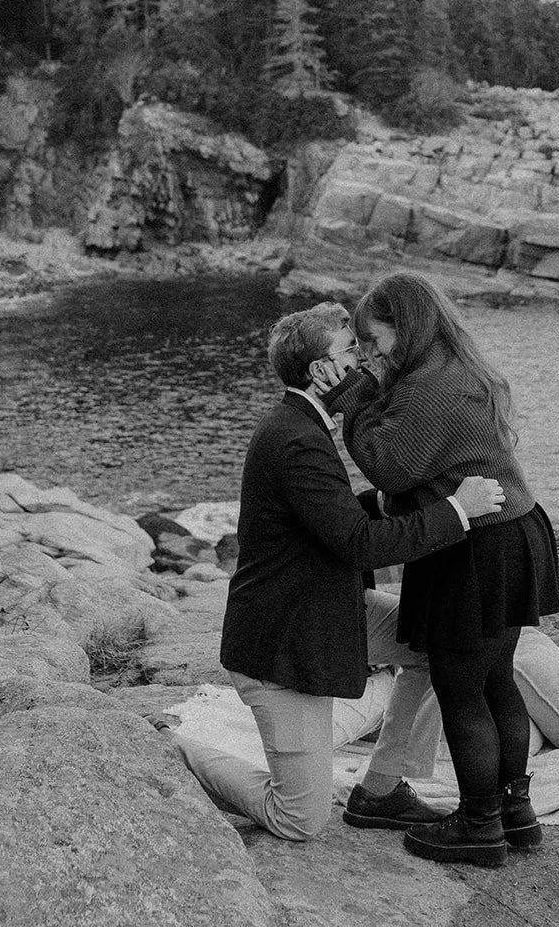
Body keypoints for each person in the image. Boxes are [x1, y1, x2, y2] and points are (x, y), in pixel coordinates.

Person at [169, 301, 506, 842]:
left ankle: (381, 789)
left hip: (326, 609)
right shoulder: (297, 439)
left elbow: (332, 515)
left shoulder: (302, 424)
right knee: (299, 819)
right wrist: (456, 510)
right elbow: (358, 545)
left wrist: (388, 499)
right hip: (284, 641)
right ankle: (175, 749)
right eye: (350, 350)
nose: (364, 360)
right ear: (320, 371)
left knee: (440, 645)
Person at [318, 271, 559, 868]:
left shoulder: (432, 384)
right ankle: (513, 814)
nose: (371, 354)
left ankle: (478, 826)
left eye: (375, 340)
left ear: (407, 326)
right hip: (511, 536)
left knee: (460, 690)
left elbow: (391, 466)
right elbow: (427, 475)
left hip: (474, 549)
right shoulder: (455, 367)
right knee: (495, 679)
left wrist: (349, 398)